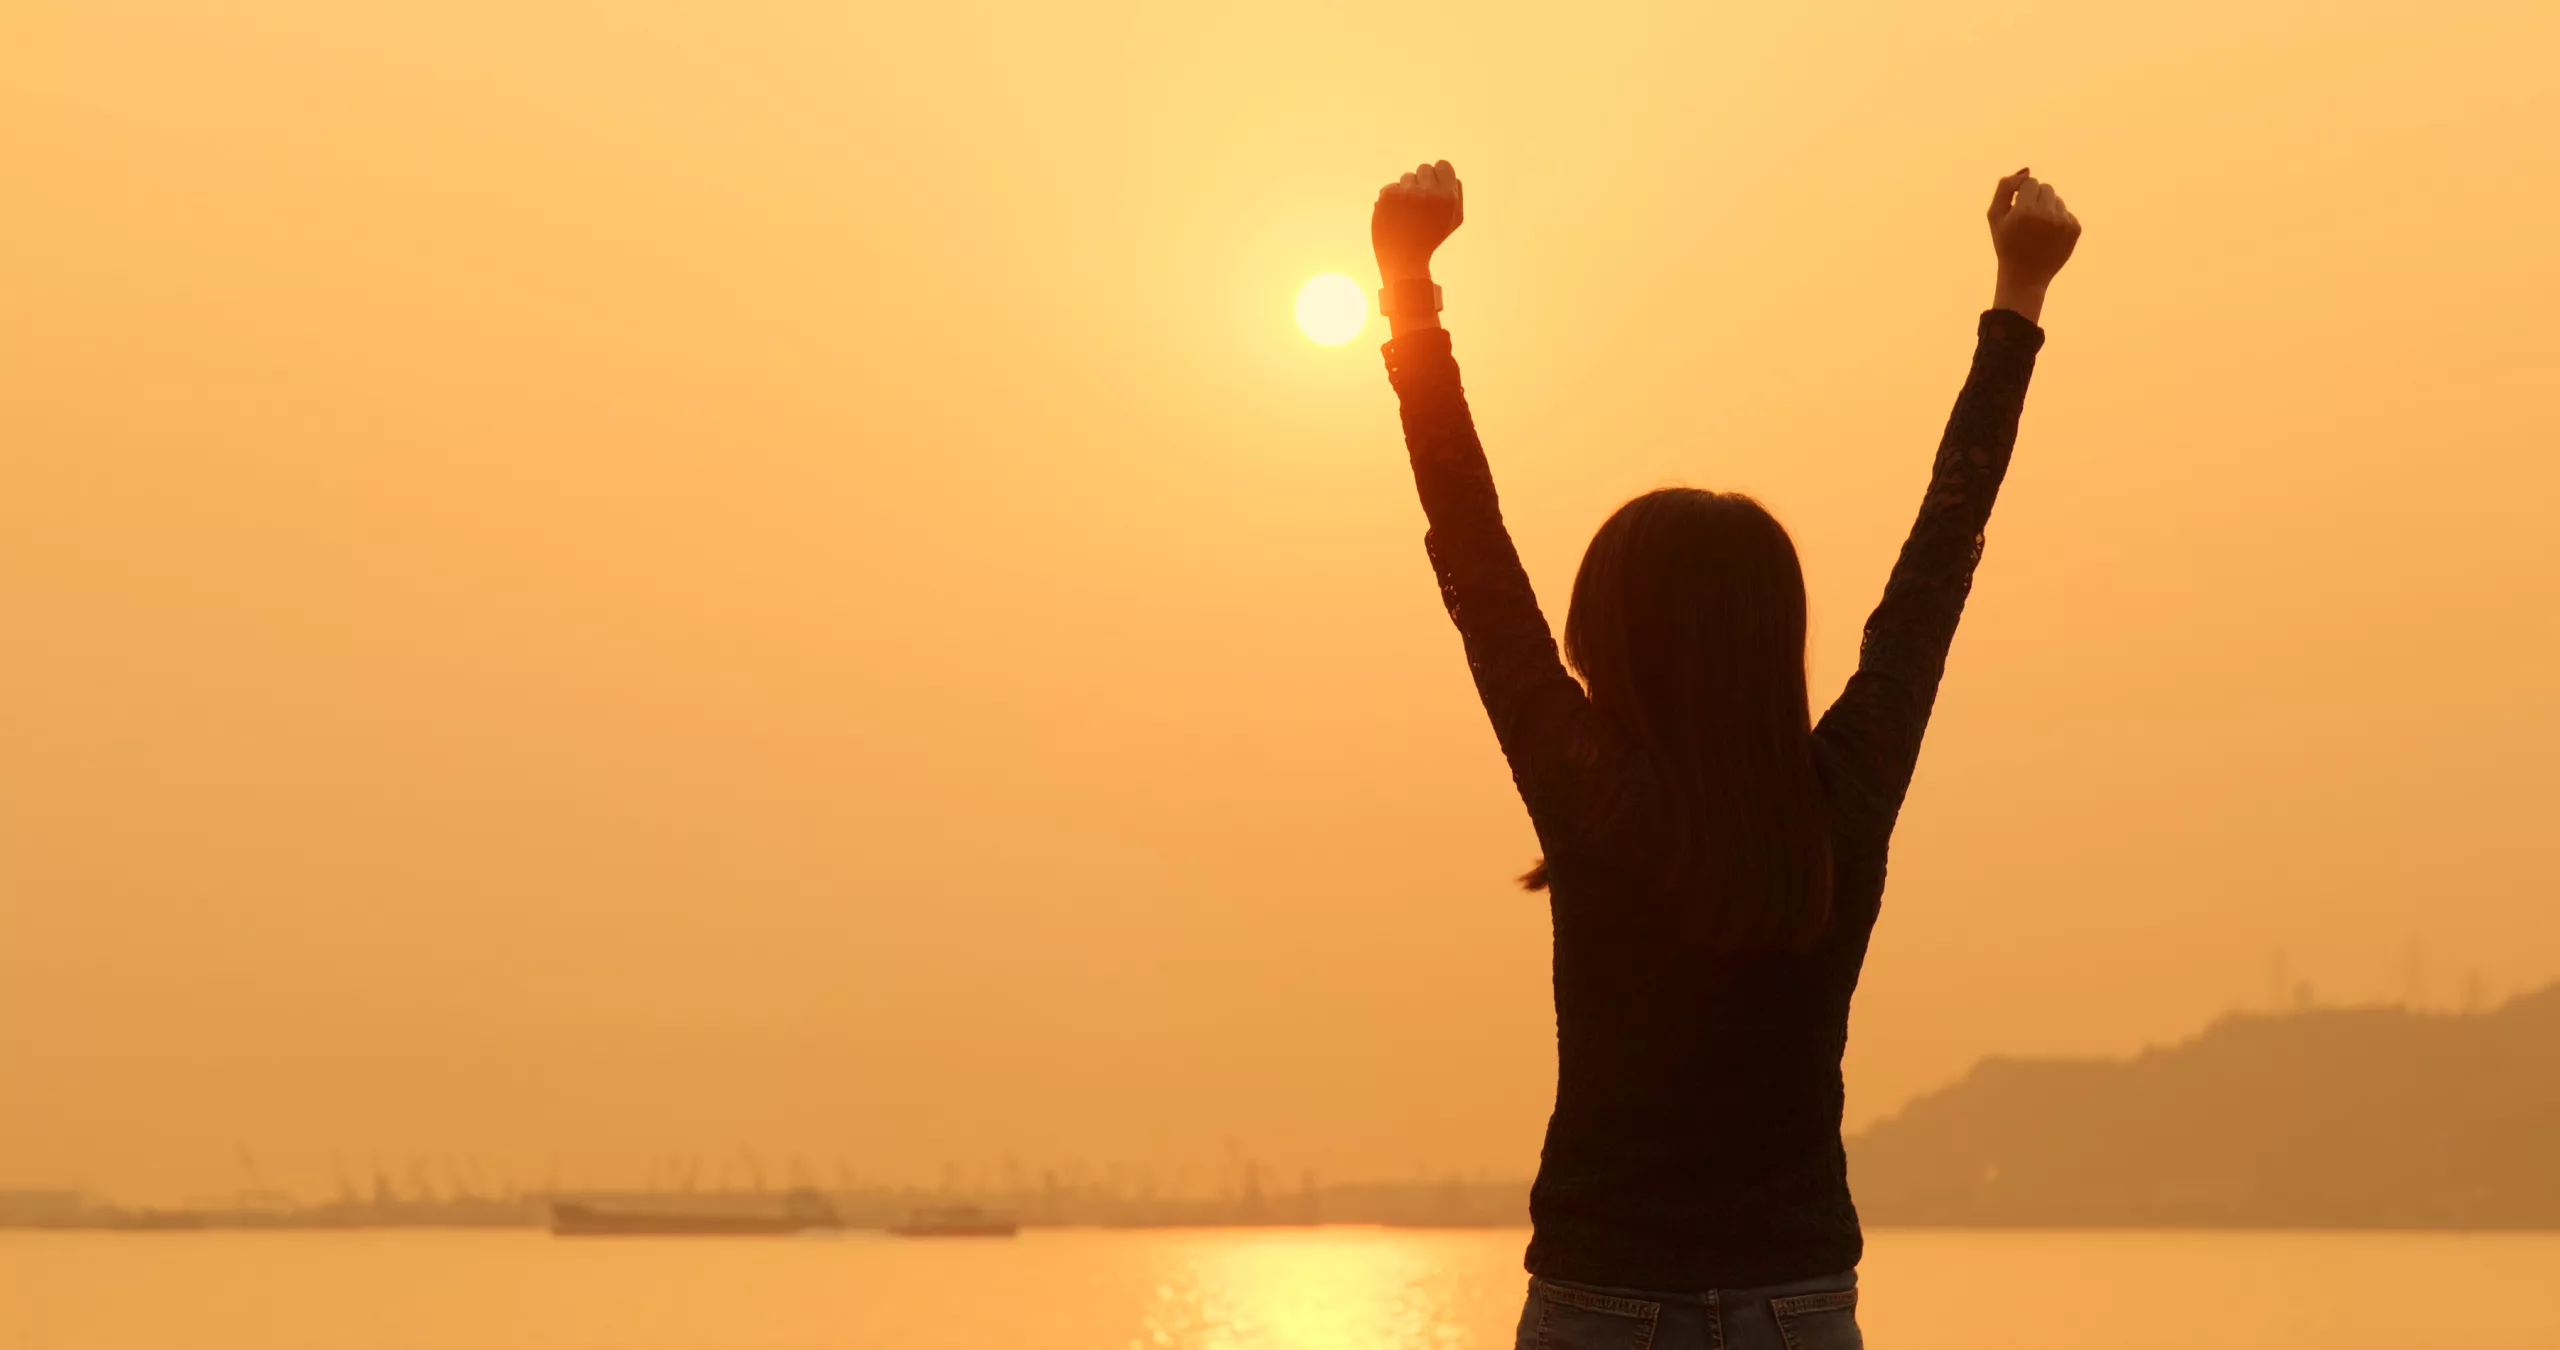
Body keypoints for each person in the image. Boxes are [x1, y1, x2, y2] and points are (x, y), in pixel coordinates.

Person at [1368, 160, 2081, 1350]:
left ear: (1608, 636)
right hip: (1794, 1308)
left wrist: (1407, 290)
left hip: (1603, 1302)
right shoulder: (1839, 799)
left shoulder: (1597, 799)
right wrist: (2018, 293)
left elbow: (1473, 554)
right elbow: (1936, 564)